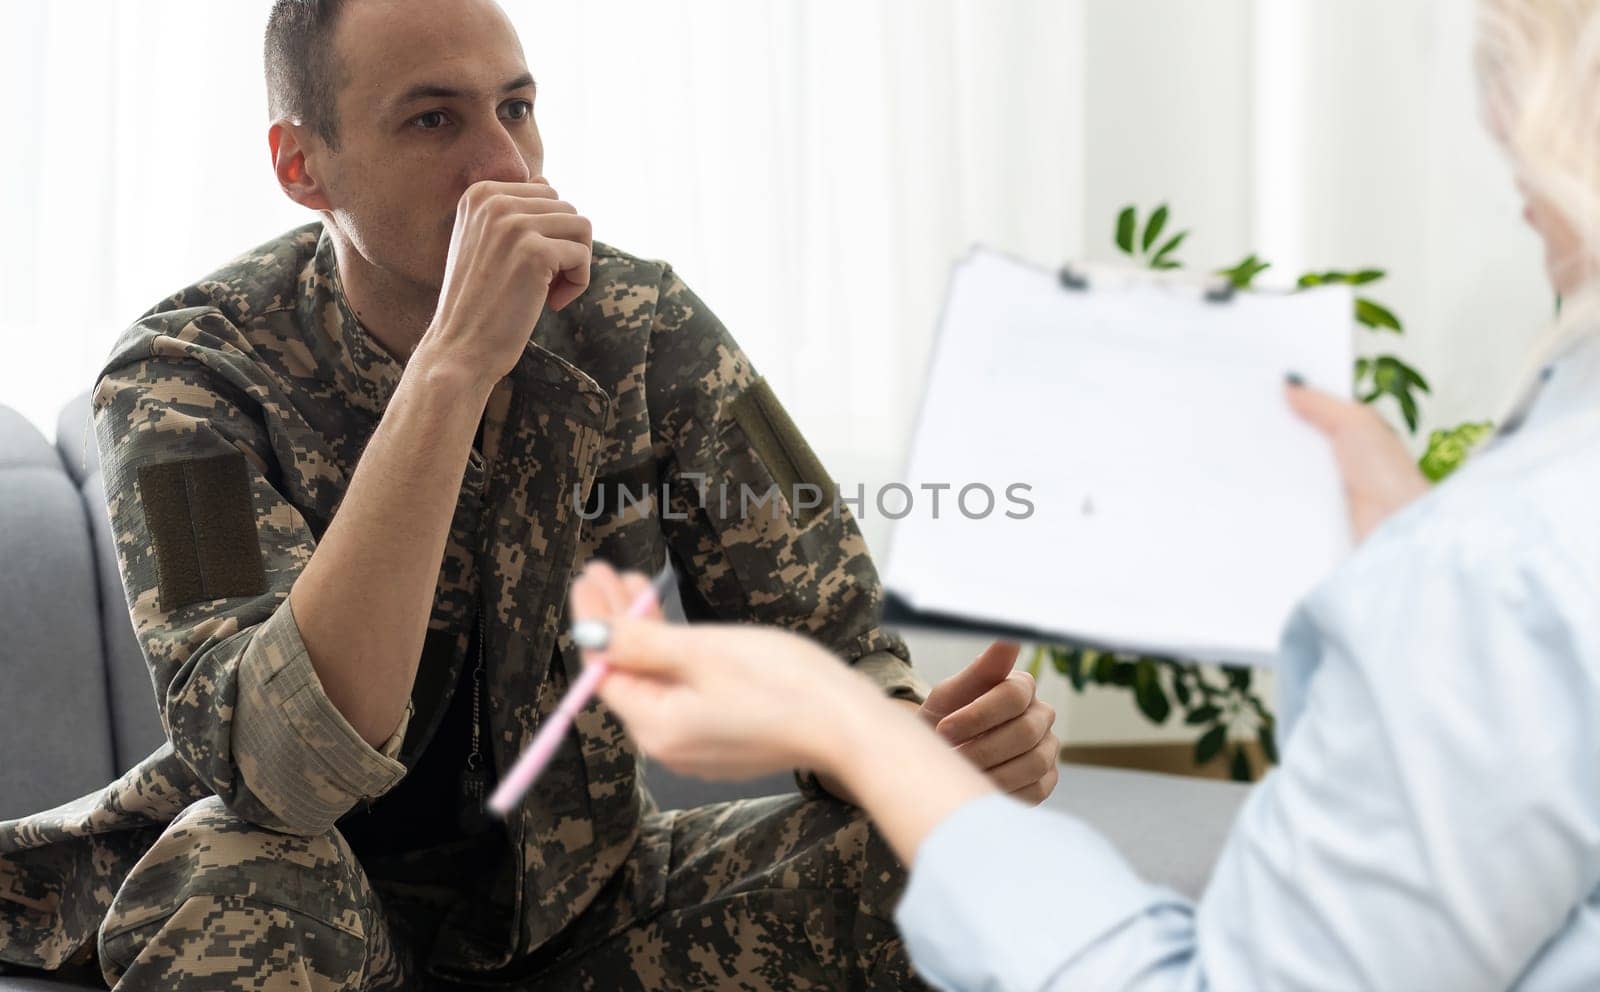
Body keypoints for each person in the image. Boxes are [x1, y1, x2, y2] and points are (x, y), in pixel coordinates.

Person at [0, 1, 1062, 989]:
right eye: (431, 120)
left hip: (568, 914)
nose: (503, 165)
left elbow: (833, 645)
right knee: (233, 877)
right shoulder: (185, 374)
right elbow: (279, 775)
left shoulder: (639, 325)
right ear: (303, 165)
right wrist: (451, 371)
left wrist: (919, 746)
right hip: (298, 902)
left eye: (516, 108)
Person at [563, 1, 1600, 988]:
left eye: (517, 107)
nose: (1489, 121)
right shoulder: (1511, 540)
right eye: (433, 116)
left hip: (612, 889)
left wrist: (861, 727)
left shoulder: (1504, 559)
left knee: (909, 854)